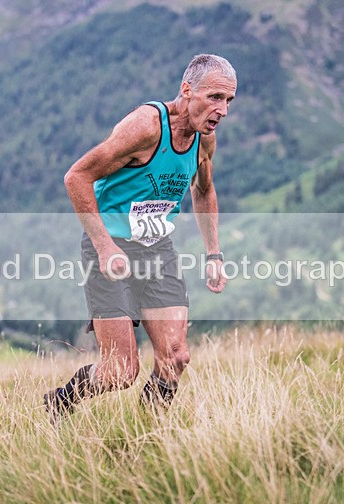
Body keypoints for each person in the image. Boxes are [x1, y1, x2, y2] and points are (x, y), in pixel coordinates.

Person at [44, 53, 235, 422]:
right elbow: (76, 177)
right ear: (187, 90)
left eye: (228, 101)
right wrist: (104, 245)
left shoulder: (204, 141)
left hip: (158, 252)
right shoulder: (147, 127)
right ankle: (60, 403)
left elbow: (204, 190)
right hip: (112, 251)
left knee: (176, 357)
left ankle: (145, 435)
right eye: (215, 97)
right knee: (119, 372)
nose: (222, 110)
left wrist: (214, 254)